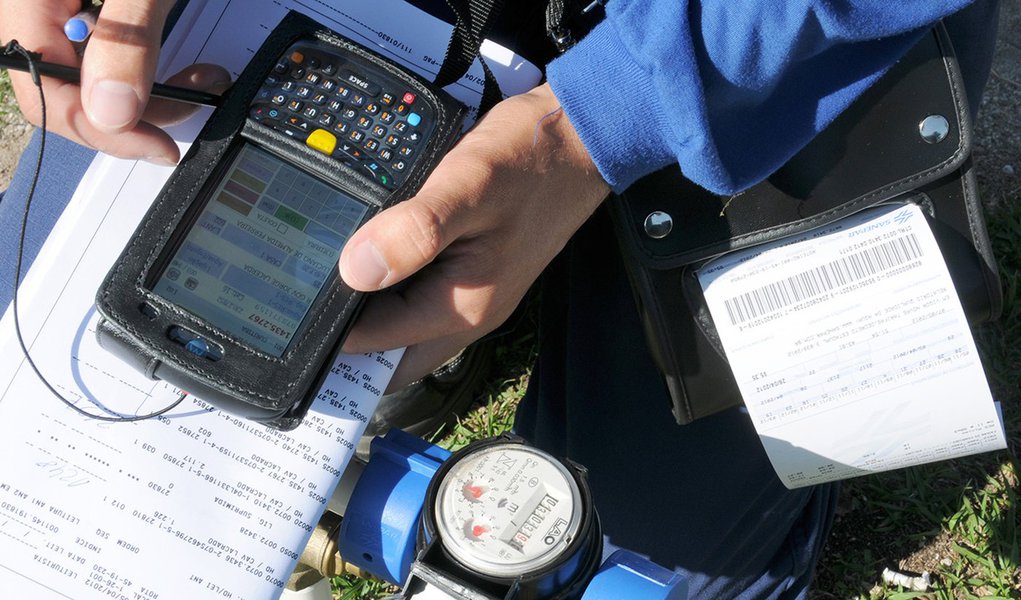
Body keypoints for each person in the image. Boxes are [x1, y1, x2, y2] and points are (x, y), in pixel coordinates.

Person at [0, 0, 1001, 596]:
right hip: (397, 40)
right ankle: (450, 340)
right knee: (341, 330)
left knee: (652, 563)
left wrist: (591, 126)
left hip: (752, 44)